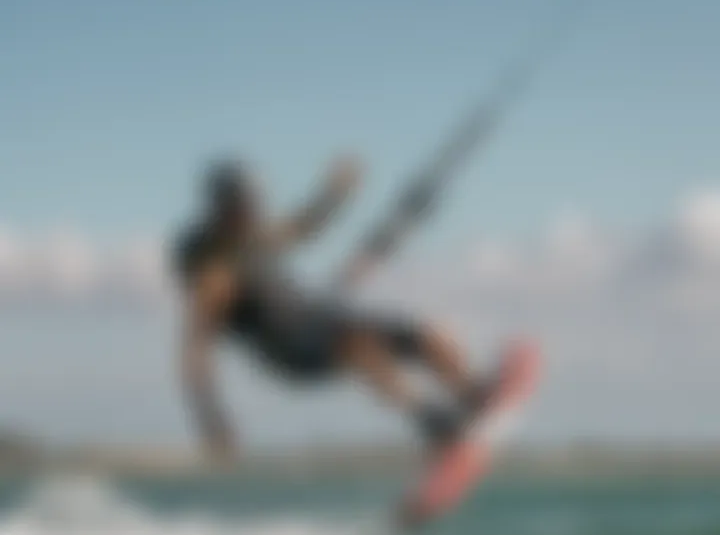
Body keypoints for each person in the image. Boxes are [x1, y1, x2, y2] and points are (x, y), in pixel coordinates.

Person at [173, 153, 512, 463]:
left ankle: (471, 392)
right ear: (223, 210)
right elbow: (195, 351)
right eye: (244, 205)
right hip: (290, 351)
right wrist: (212, 419)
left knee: (423, 334)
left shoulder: (255, 235)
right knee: (357, 344)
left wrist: (336, 193)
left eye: (254, 202)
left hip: (317, 320)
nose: (253, 210)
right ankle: (433, 423)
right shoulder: (213, 274)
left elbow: (303, 228)